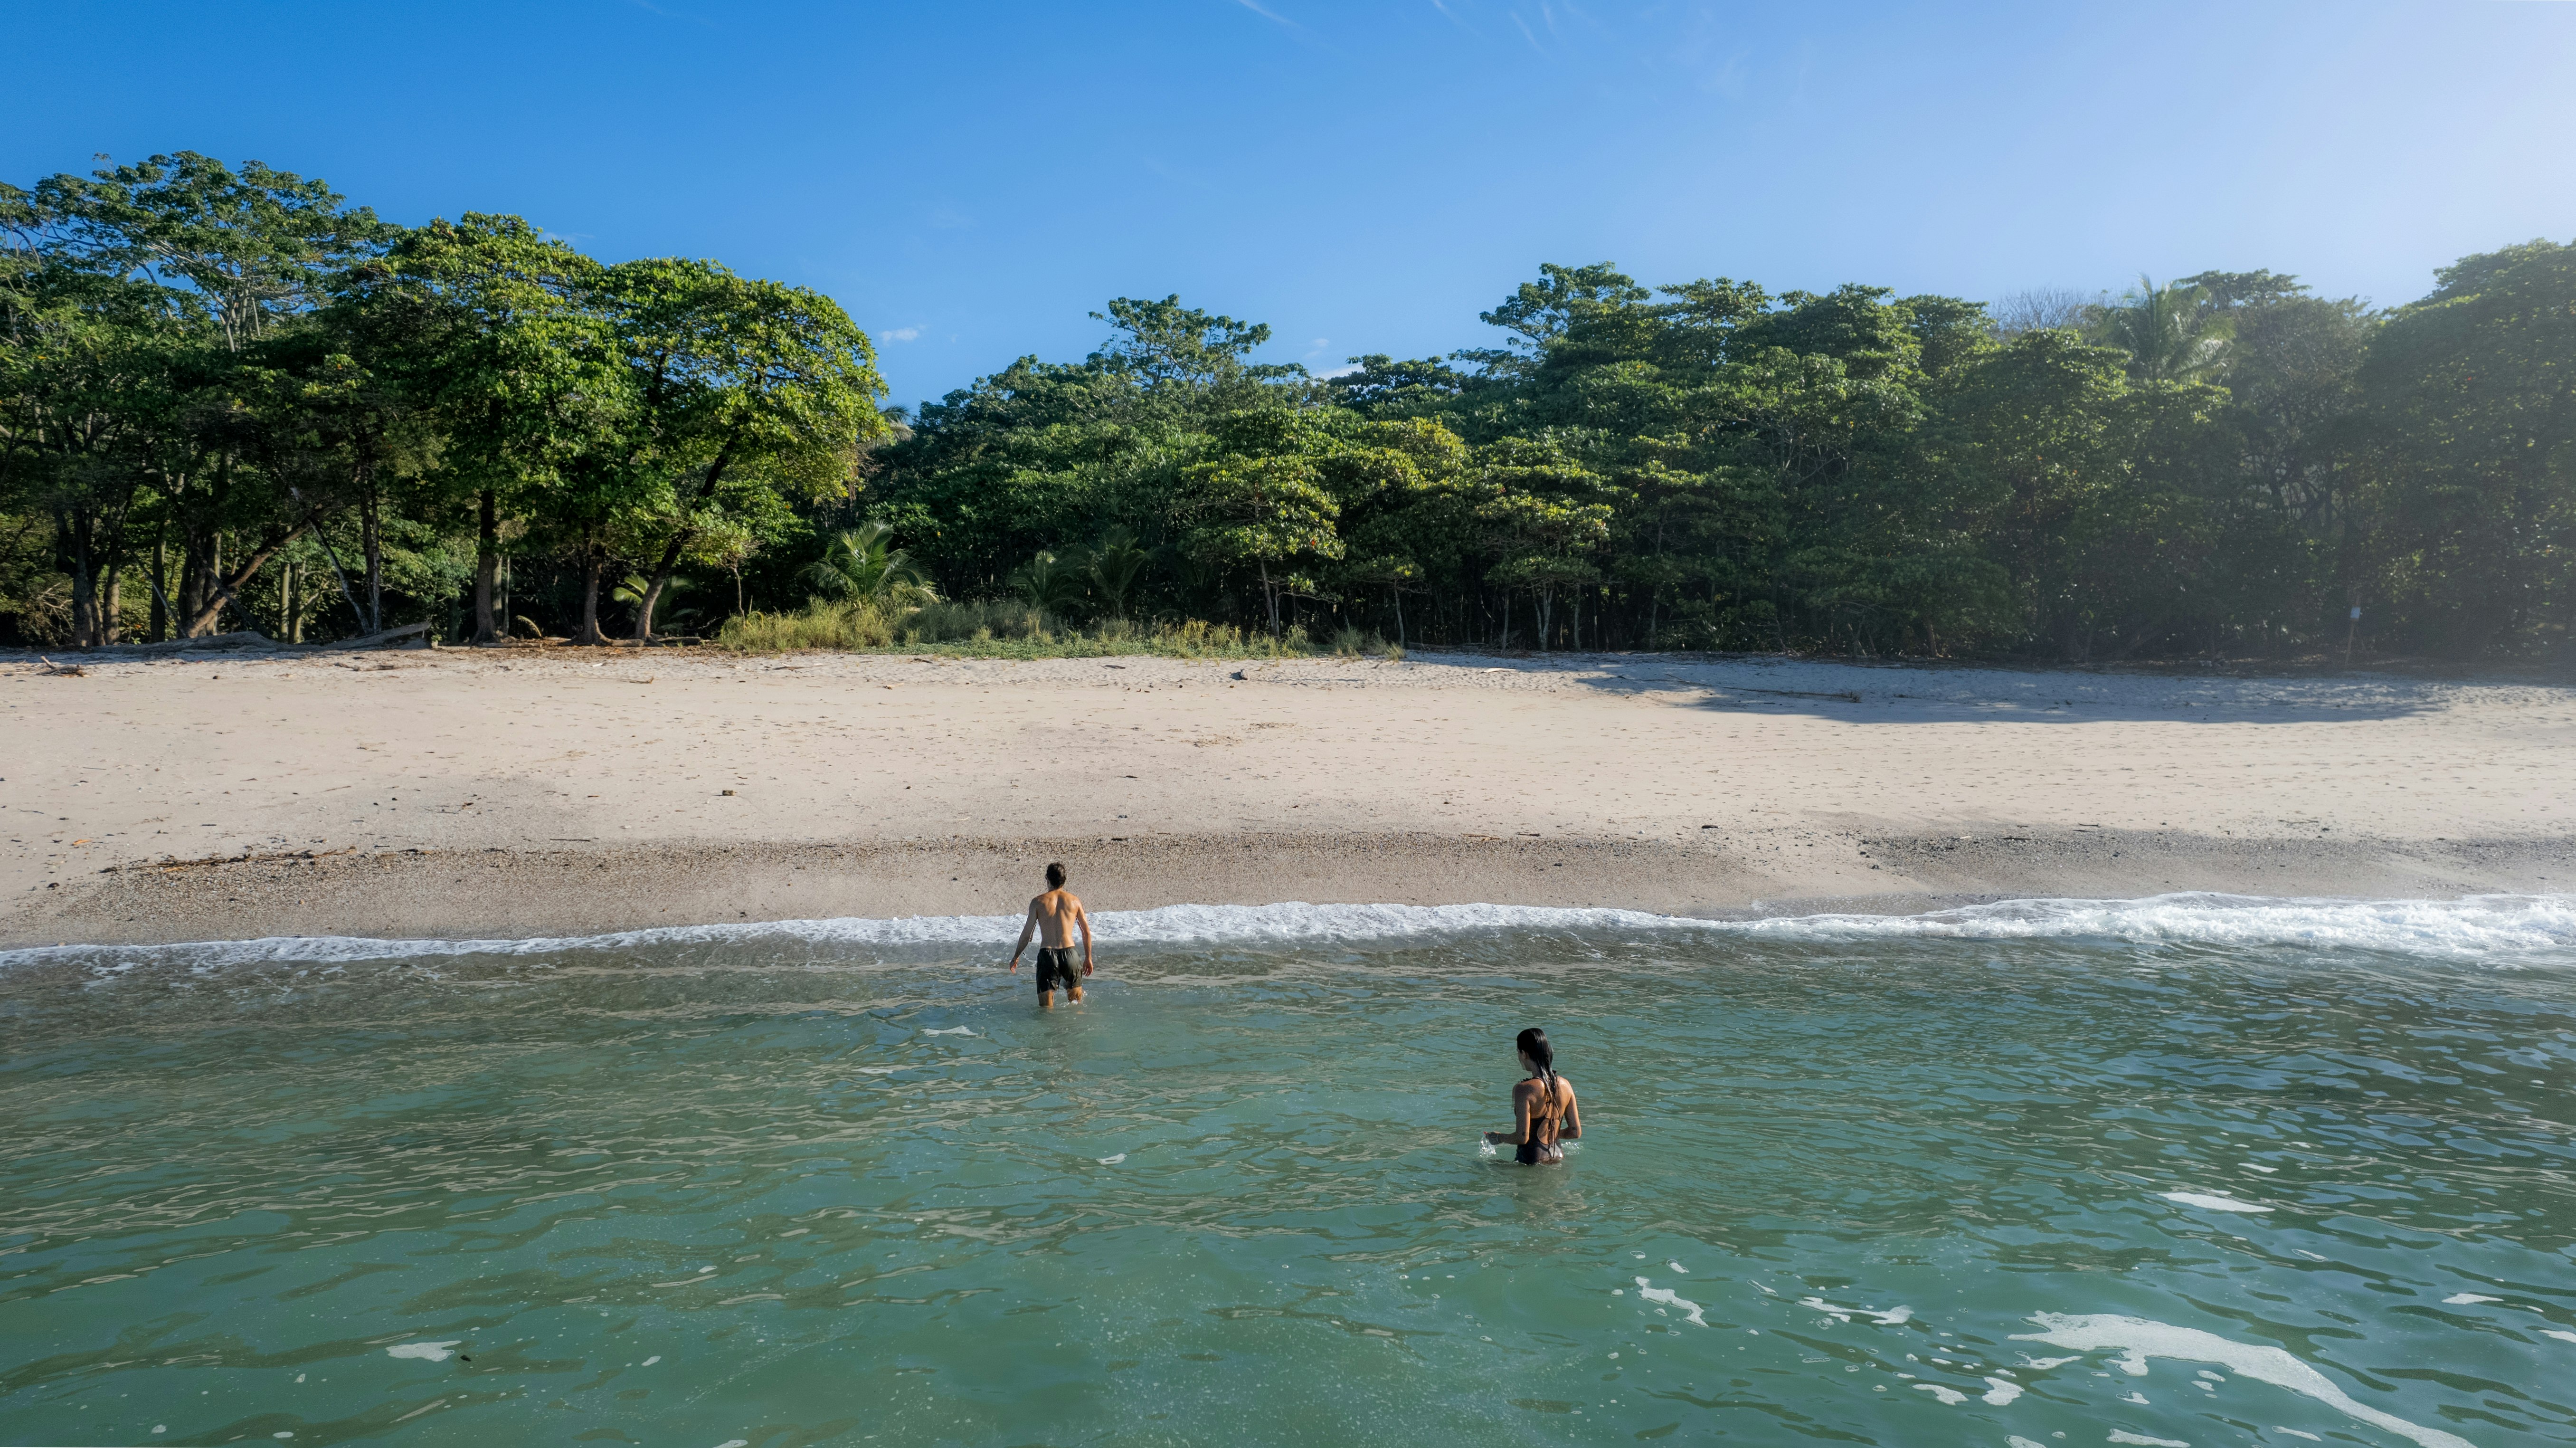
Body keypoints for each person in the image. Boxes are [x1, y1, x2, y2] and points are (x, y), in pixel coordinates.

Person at [1485, 1027, 1581, 1164]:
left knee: (1482, 1166)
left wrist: (1498, 1138)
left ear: (1524, 1054)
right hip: (1558, 1158)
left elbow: (1522, 1137)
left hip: (1532, 1161)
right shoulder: (1566, 1085)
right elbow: (1575, 1132)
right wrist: (1549, 1134)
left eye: (1518, 1052)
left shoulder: (1524, 1089)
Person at [1007, 862, 1093, 1010]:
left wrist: (1016, 956)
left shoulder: (1038, 902)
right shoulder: (1074, 901)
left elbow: (1027, 934)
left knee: (1046, 1011)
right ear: (1064, 880)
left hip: (1048, 956)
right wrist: (1088, 958)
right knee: (1076, 1007)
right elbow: (1086, 932)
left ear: (1047, 879)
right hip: (1071, 954)